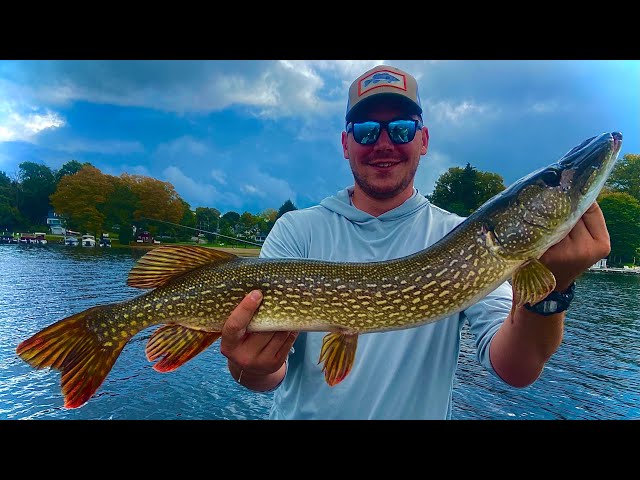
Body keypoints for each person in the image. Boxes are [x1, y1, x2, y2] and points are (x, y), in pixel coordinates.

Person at [219, 64, 611, 419]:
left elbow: (516, 368)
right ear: (346, 144)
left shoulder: (457, 238)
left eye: (402, 128)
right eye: (367, 130)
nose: (384, 142)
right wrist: (250, 367)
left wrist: (552, 293)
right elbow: (266, 377)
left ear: (423, 140)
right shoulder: (296, 230)